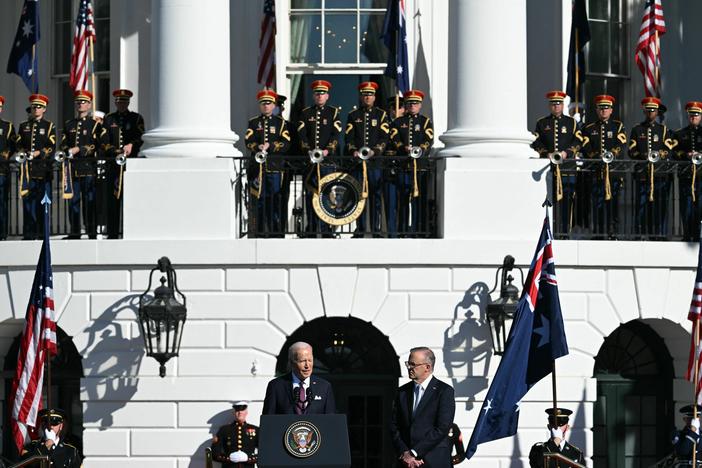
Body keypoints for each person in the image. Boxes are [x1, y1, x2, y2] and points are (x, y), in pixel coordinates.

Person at [390, 346, 455, 468]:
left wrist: (414, 452)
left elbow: (442, 428)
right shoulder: (402, 392)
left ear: (427, 367)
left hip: (434, 461)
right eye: (408, 364)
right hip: (405, 463)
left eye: (413, 364)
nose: (409, 368)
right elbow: (394, 426)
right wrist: (405, 453)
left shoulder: (444, 391)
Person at [531, 90, 583, 235]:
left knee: (567, 201)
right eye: (553, 104)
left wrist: (568, 152)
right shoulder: (542, 123)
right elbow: (536, 142)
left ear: (562, 105)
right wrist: (545, 153)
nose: (556, 106)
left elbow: (579, 140)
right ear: (550, 106)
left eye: (559, 104)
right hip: (548, 169)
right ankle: (550, 231)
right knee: (549, 200)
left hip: (567, 168)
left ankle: (565, 232)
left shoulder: (571, 122)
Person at [60, 90, 107, 239]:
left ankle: (91, 231)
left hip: (88, 168)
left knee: (89, 202)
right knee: (73, 202)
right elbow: (62, 144)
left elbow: (98, 145)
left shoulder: (94, 125)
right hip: (72, 169)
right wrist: (67, 150)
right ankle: (74, 232)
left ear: (89, 105)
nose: (81, 104)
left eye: (84, 102)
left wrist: (79, 149)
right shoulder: (69, 124)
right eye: (78, 102)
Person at [297, 80, 341, 237]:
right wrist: (309, 150)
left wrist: (327, 150)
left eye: (322, 93)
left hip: (327, 162)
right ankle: (311, 227)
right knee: (310, 194)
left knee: (327, 194)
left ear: (327, 96)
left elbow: (336, 135)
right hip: (310, 162)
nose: (320, 96)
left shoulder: (333, 112)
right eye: (317, 93)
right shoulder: (306, 113)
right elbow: (301, 135)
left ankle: (326, 228)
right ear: (313, 96)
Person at [345, 81, 390, 236]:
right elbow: (348, 139)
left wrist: (375, 151)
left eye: (370, 95)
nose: (367, 97)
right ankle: (361, 228)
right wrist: (354, 151)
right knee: (359, 196)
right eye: (365, 95)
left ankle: (376, 229)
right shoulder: (353, 115)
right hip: (358, 164)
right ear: (361, 96)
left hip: (374, 163)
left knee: (376, 196)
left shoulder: (381, 115)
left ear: (374, 97)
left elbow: (384, 138)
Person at [244, 89, 291, 237]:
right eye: (263, 103)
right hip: (258, 169)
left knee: (274, 201)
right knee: (259, 200)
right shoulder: (254, 122)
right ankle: (258, 231)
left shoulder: (281, 123)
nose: (266, 106)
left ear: (273, 105)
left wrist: (270, 145)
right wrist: (256, 146)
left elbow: (286, 143)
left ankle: (275, 232)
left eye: (269, 103)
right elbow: (248, 141)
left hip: (274, 168)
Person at [628, 97, 675, 239]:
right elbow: (631, 150)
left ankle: (659, 235)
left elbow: (669, 149)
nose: (650, 113)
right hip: (642, 174)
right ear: (645, 111)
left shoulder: (663, 130)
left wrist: (658, 155)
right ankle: (640, 234)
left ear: (657, 112)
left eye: (653, 110)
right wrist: (643, 156)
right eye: (648, 110)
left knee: (659, 206)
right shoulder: (637, 129)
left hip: (660, 174)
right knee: (641, 206)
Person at [388, 90, 434, 237]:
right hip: (404, 167)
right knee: (402, 200)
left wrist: (421, 148)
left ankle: (417, 229)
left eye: (415, 103)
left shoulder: (425, 122)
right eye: (409, 103)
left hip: (420, 168)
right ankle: (402, 230)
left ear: (420, 105)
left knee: (419, 200)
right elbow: (394, 137)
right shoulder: (398, 122)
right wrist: (403, 147)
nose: (412, 106)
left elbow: (429, 138)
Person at [580, 94, 627, 238]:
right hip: (596, 172)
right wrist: (595, 156)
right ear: (597, 110)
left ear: (611, 110)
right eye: (601, 108)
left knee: (613, 204)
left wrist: (611, 154)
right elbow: (585, 146)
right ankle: (598, 232)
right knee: (597, 203)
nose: (603, 111)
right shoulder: (589, 128)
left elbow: (621, 144)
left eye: (606, 108)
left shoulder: (618, 126)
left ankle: (613, 232)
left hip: (613, 173)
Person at [103, 88, 145, 239]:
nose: (121, 104)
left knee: (130, 199)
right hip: (113, 165)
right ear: (115, 102)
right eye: (119, 101)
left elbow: (140, 137)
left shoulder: (136, 118)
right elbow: (104, 141)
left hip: (130, 164)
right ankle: (112, 233)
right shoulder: (109, 119)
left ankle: (129, 232)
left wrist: (131, 146)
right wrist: (116, 150)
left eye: (124, 101)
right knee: (113, 200)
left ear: (128, 103)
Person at [15, 94, 57, 240]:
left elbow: (51, 146)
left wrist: (39, 153)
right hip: (27, 171)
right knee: (28, 204)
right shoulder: (23, 126)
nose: (36, 109)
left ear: (44, 109)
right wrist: (22, 152)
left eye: (38, 107)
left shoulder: (49, 126)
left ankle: (42, 232)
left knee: (42, 203)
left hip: (43, 170)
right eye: (34, 107)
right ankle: (29, 233)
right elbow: (18, 144)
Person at [262, 341, 336, 415]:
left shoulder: (324, 387)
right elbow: (268, 421)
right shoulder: (276, 386)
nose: (307, 365)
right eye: (302, 361)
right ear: (291, 363)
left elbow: (330, 421)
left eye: (310, 360)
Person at [674, 101, 702, 241]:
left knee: (700, 206)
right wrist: (686, 155)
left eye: (696, 115)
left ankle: (698, 234)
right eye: (691, 115)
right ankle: (687, 233)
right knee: (686, 206)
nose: (693, 117)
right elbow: (674, 152)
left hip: (701, 175)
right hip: (686, 174)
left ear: (700, 116)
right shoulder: (680, 133)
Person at [211, 401, 258, 467]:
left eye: (242, 410)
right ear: (234, 412)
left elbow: (265, 453)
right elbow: (214, 454)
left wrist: (249, 458)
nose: (240, 413)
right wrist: (229, 458)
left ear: (246, 412)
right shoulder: (224, 430)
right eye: (237, 410)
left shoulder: (255, 429)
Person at [0, 95, 17, 240]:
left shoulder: (7, 126)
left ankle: (2, 233)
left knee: (2, 203)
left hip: (1, 171)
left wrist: (7, 154)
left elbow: (13, 145)